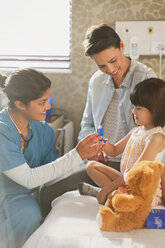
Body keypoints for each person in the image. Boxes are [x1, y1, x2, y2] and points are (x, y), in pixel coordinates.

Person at [0, 68, 104, 248]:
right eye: (41, 103)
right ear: (19, 104)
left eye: (47, 100)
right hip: (5, 195)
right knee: (27, 216)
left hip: (21, 197)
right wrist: (77, 154)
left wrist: (85, 160)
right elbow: (28, 179)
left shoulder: (44, 131)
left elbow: (50, 177)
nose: (48, 107)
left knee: (30, 214)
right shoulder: (3, 131)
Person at [78, 23, 156, 171]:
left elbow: (155, 128)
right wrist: (92, 150)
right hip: (101, 161)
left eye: (113, 61)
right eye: (102, 66)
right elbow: (87, 125)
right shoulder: (96, 81)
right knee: (52, 188)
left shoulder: (145, 78)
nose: (110, 69)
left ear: (121, 46)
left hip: (132, 162)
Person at [78, 78, 165, 206]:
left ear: (155, 109)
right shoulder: (136, 131)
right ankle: (110, 193)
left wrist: (108, 187)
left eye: (139, 108)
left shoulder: (156, 137)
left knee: (121, 201)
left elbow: (136, 172)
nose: (133, 111)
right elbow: (113, 150)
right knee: (91, 166)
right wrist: (100, 141)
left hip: (142, 190)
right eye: (133, 107)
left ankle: (108, 192)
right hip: (127, 181)